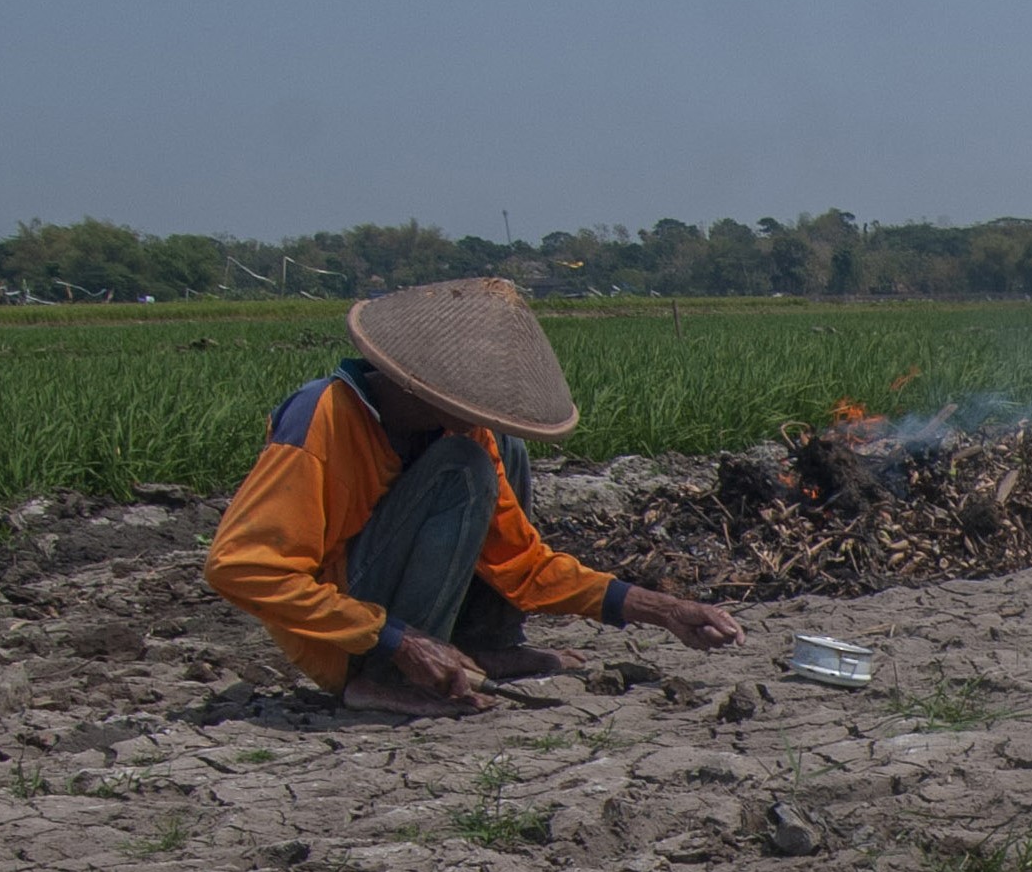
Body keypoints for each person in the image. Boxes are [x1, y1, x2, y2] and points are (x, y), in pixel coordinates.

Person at [206, 276, 744, 717]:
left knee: (497, 449)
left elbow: (522, 563)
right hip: (350, 635)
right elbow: (242, 567)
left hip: (394, 615)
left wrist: (662, 609)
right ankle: (382, 678)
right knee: (463, 470)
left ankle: (482, 642)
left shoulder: (463, 431)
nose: (480, 419)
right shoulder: (324, 416)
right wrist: (397, 642)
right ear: (426, 387)